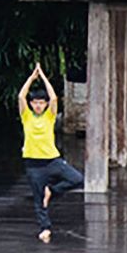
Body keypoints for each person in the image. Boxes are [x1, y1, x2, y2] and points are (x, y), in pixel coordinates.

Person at [18, 57, 84, 241]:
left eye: (41, 103)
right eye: (36, 103)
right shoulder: (27, 117)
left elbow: (54, 97)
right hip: (33, 164)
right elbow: (21, 97)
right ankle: (45, 228)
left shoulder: (49, 117)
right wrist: (32, 78)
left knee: (77, 179)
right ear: (32, 105)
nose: (38, 105)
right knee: (39, 200)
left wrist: (44, 77)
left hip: (52, 161)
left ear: (45, 105)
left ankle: (52, 191)